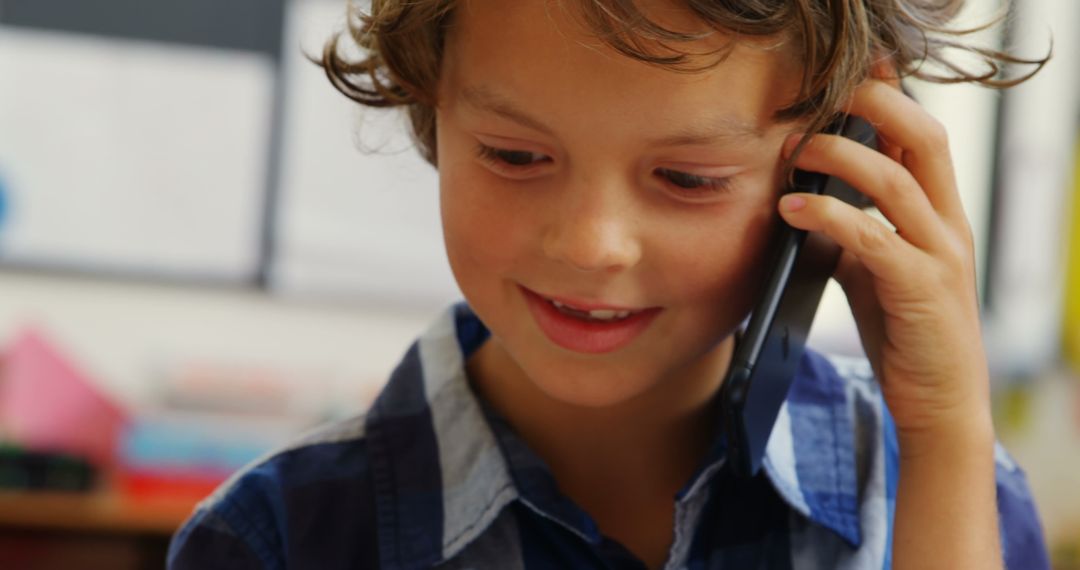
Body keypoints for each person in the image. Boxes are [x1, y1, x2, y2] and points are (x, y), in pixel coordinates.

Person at [167, 0, 1053, 568]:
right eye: (516, 156)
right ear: (431, 104)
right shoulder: (273, 540)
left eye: (689, 178)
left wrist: (943, 432)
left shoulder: (950, 493)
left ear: (839, 168)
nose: (591, 247)